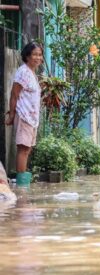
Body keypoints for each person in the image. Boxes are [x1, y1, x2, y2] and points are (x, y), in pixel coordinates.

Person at [5, 42, 43, 184]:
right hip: (24, 116)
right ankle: (22, 185)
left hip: (32, 118)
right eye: (34, 54)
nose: (38, 58)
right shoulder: (23, 72)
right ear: (27, 56)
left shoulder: (32, 73)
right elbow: (14, 94)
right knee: (23, 149)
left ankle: (23, 183)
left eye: (40, 55)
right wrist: (12, 115)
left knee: (27, 150)